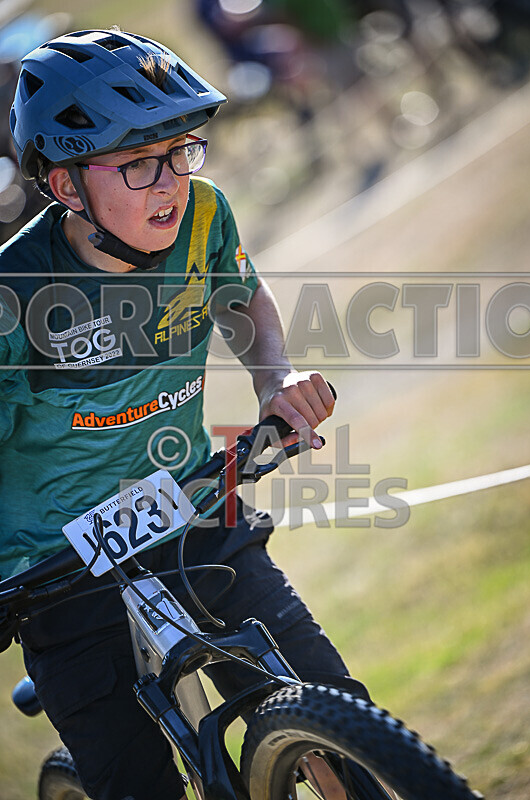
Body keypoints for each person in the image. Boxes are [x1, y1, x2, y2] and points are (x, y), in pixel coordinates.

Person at [0, 28, 367, 799]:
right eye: (138, 162)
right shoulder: (17, 294)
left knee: (345, 715)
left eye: (181, 148)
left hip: (188, 509)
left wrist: (278, 377)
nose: (171, 181)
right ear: (66, 186)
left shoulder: (204, 214)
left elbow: (240, 295)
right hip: (53, 574)